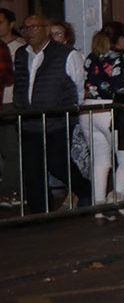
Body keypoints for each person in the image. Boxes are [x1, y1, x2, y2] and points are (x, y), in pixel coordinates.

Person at [10, 15, 88, 212]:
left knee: (58, 163)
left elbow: (78, 85)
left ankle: (85, 189)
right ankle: (40, 212)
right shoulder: (21, 54)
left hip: (57, 120)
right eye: (25, 28)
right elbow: (20, 83)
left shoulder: (66, 54)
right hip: (29, 120)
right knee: (32, 169)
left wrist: (70, 109)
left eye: (34, 27)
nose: (29, 31)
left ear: (46, 29)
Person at [80, 28, 124, 210]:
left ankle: (99, 205)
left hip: (87, 108)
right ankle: (117, 197)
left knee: (100, 159)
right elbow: (119, 85)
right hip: (110, 109)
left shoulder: (90, 57)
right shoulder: (119, 58)